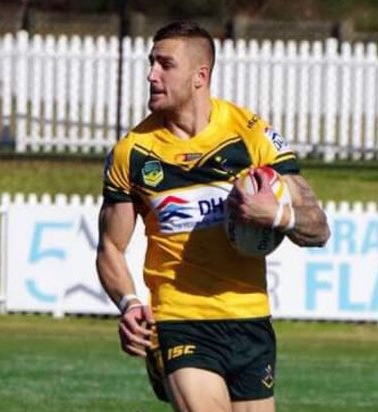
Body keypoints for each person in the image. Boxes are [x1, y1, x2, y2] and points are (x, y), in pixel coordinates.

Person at [96, 20, 330, 412]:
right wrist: (130, 303)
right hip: (179, 319)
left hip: (250, 317)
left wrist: (277, 215)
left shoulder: (250, 134)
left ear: (199, 76)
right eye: (151, 63)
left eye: (164, 64)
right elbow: (110, 247)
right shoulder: (132, 152)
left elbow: (318, 228)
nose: (151, 75)